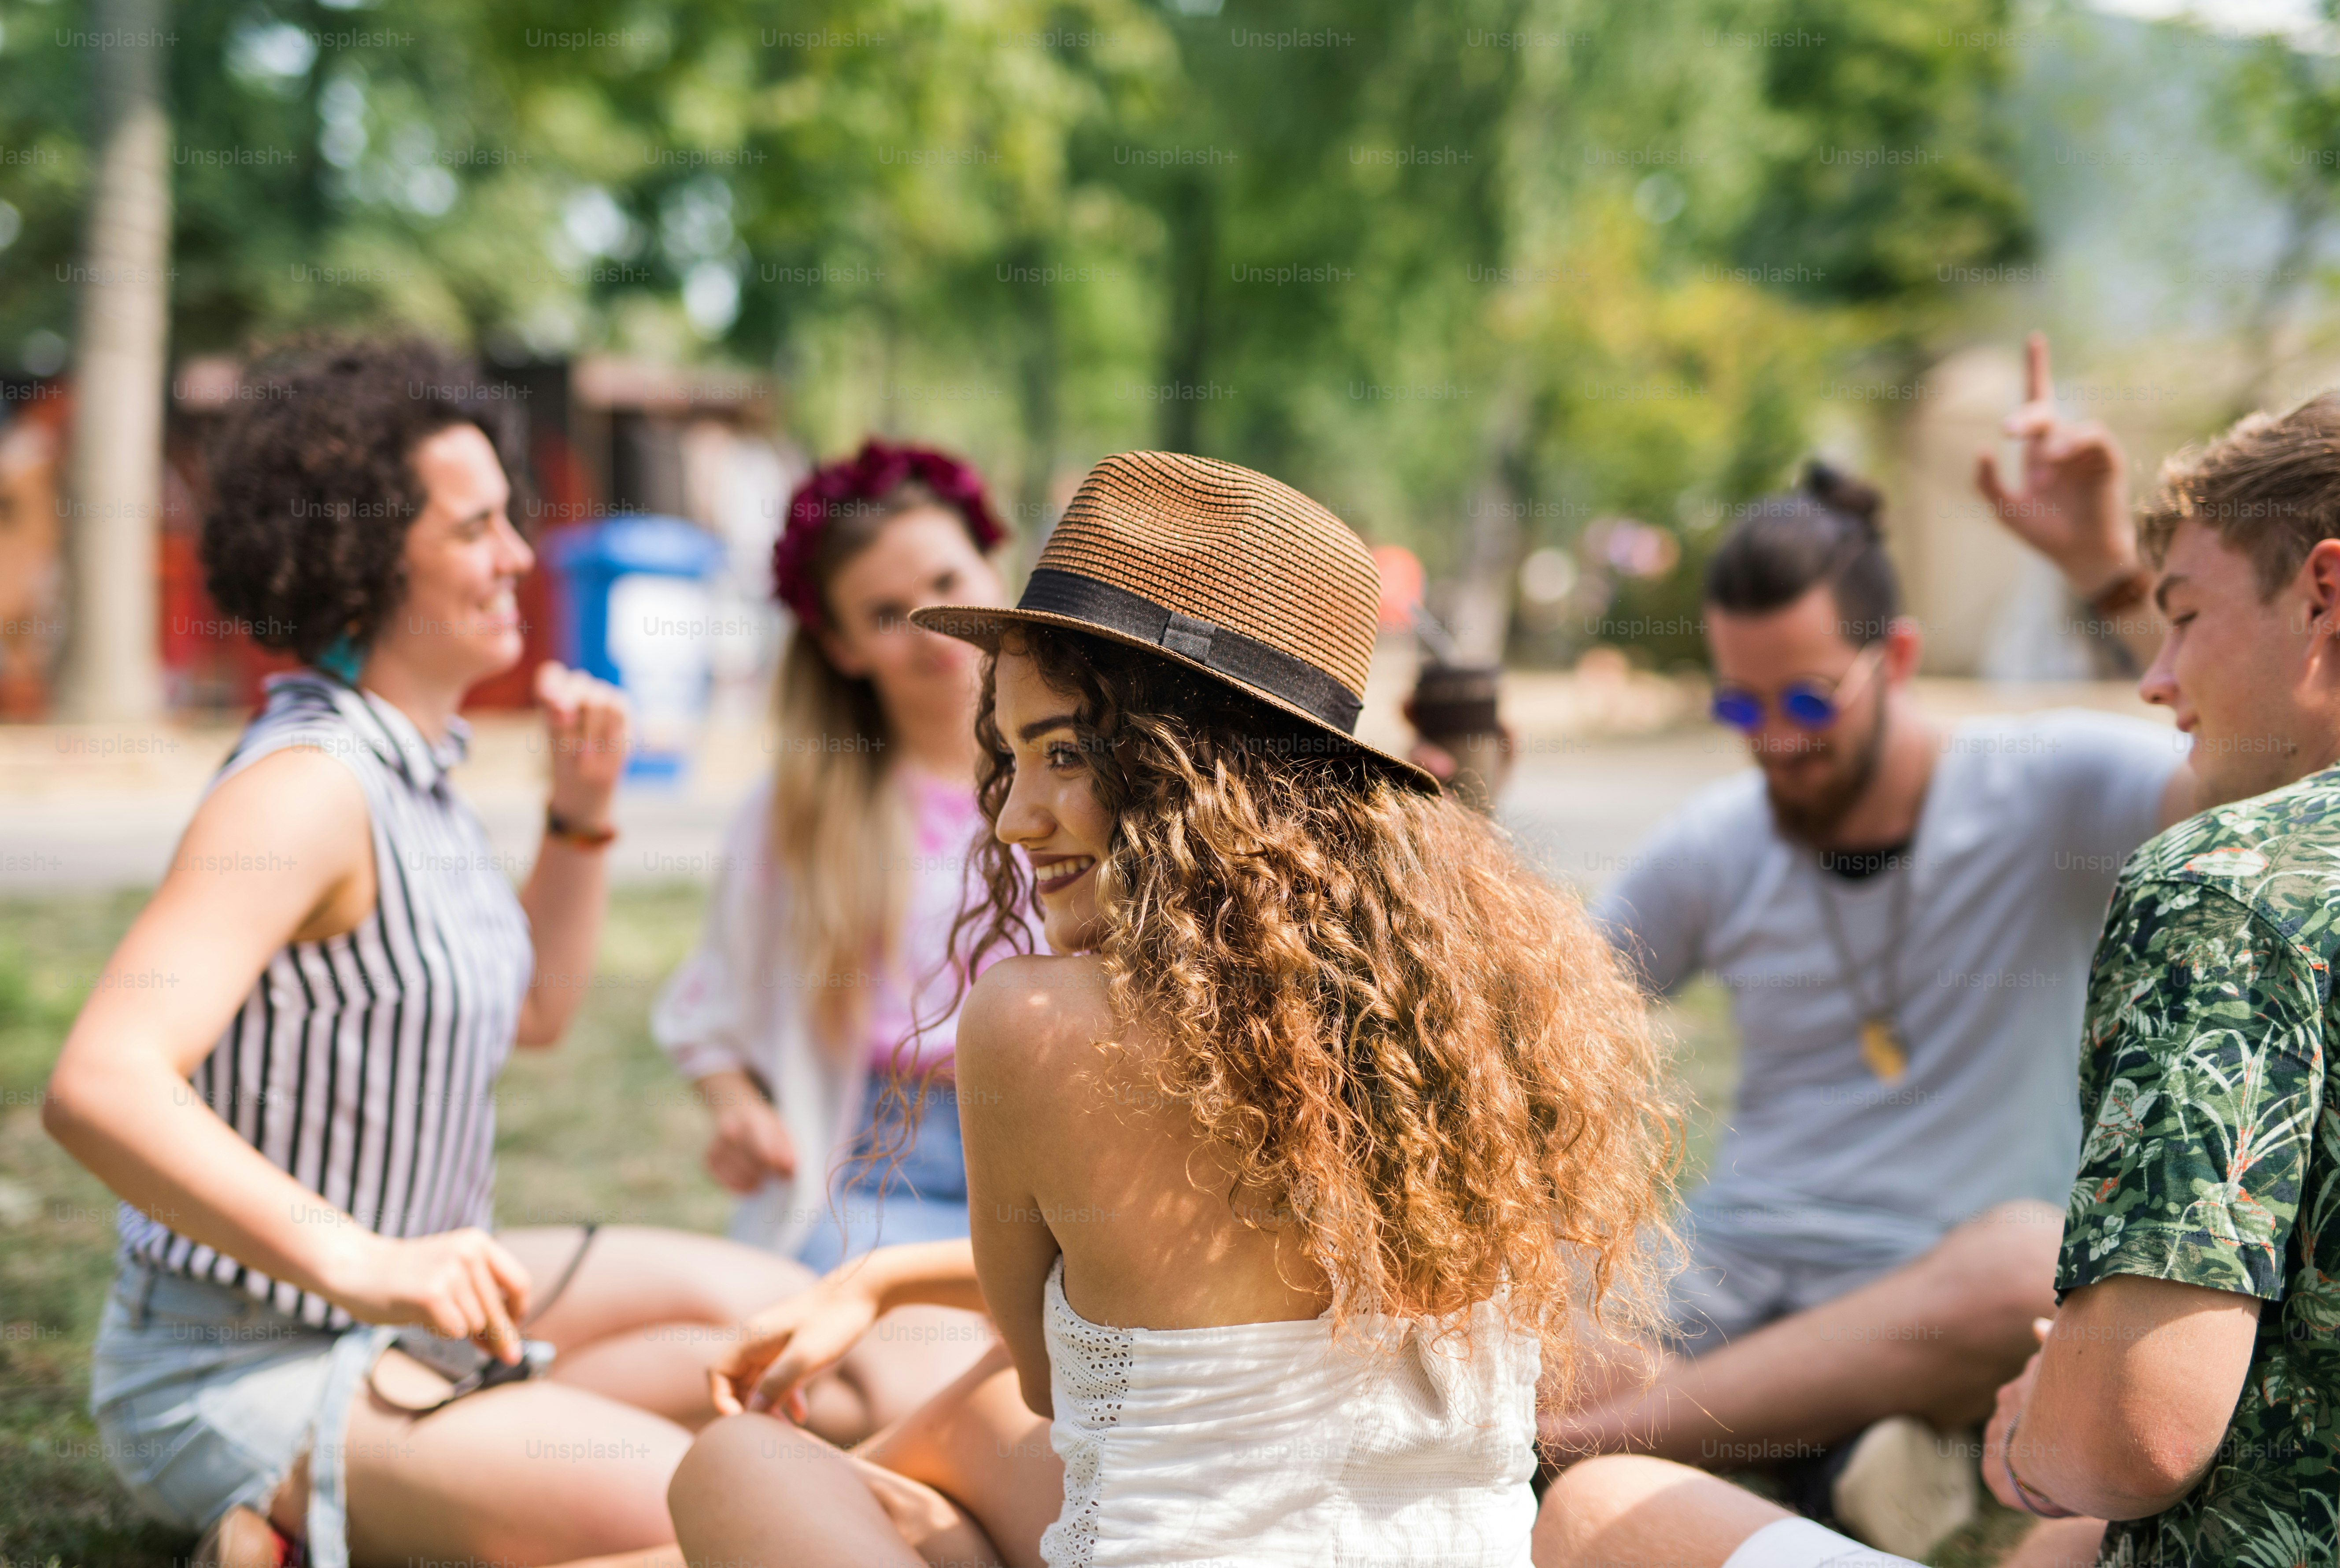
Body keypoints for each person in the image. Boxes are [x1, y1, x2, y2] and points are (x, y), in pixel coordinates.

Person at [666, 450, 1681, 1567]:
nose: (1014, 818)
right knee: (925, 1470)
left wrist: (889, 1275)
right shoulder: (1467, 1004)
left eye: (1063, 752)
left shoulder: (1036, 1022)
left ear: (1196, 766)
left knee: (737, 1462)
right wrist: (889, 1274)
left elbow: (1050, 1377)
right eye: (1009, 757)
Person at [40, 341, 916, 1568]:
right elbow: (101, 1083)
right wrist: (369, 1262)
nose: (519, 555)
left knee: (789, 1327)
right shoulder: (306, 789)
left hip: (420, 1318)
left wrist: (582, 811)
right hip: (244, 1359)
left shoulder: (419, 773)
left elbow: (540, 1010)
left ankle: (324, 1524)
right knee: (752, 1518)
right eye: (478, 528)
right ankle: (297, 1504)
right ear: (362, 563)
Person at [1544, 339, 2340, 1568]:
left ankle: (1601, 1449)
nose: (1774, 743)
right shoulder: (1716, 842)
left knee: (2024, 1258)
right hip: (1730, 1288)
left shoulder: (2077, 803)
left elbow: (2236, 771)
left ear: (1895, 662)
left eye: (1804, 703)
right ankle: (1755, 1451)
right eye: (1739, 710)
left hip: (1943, 1299)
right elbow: (1538, 1030)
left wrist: (2096, 565)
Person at [650, 439, 1035, 1401]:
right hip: (876, 1173)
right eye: (883, 615)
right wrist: (739, 1106)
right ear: (839, 644)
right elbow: (707, 1009)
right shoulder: (801, 812)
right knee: (896, 1389)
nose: (932, 631)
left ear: (994, 560)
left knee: (1023, 1397)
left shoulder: (1099, 777)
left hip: (1056, 1166)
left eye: (947, 579)